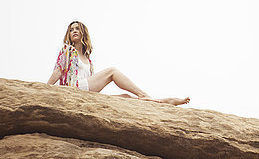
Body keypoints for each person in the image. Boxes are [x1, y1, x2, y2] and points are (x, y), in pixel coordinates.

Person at [47, 20, 190, 106]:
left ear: (83, 32)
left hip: (85, 92)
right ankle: (144, 94)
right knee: (112, 71)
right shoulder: (68, 50)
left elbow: (91, 82)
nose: (74, 31)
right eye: (71, 30)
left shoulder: (88, 60)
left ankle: (163, 101)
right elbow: (58, 71)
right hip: (74, 88)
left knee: (126, 98)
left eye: (77, 28)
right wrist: (45, 88)